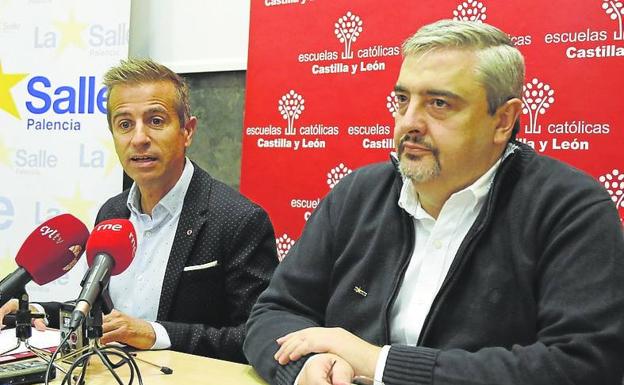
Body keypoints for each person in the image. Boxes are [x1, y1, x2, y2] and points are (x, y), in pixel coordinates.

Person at [243, 20, 624, 385]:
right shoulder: (357, 194)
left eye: (439, 103)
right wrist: (308, 368)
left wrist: (380, 364)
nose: (410, 121)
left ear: (503, 120)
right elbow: (274, 312)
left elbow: (582, 365)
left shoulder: (570, 208)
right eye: (402, 99)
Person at [1, 58, 278, 363]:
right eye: (124, 124)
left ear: (187, 131)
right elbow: (104, 317)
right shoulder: (113, 213)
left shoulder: (238, 220)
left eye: (156, 121)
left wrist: (155, 334)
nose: (139, 138)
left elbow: (258, 336)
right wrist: (34, 311)